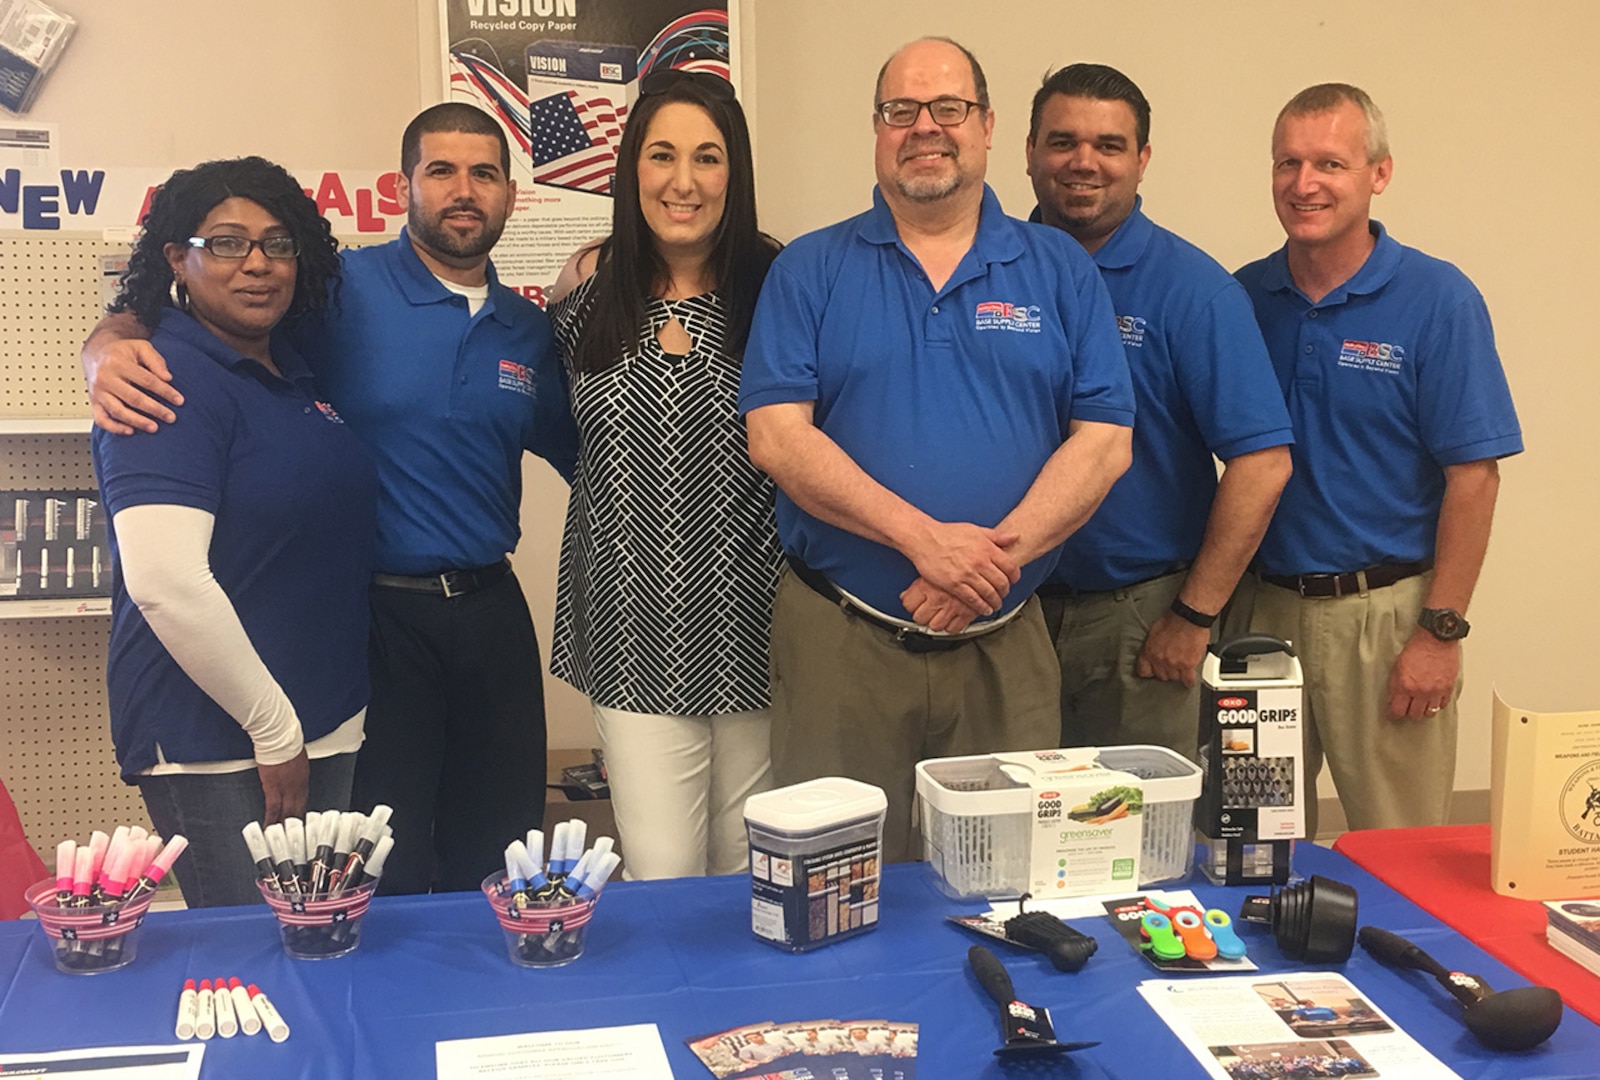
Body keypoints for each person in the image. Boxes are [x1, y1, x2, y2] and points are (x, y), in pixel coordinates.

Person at [82, 104, 579, 894]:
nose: (463, 190)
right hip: (379, 618)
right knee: (384, 864)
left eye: (484, 172)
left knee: (504, 846)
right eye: (441, 170)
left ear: (511, 195)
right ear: (405, 186)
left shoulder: (527, 329)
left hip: (490, 607)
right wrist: (106, 342)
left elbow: (591, 451)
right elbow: (199, 308)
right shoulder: (337, 291)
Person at [739, 37, 1135, 862]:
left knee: (1007, 884)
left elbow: (1104, 443)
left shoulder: (1058, 269)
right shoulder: (809, 269)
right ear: (877, 130)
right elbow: (777, 437)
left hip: (1006, 645)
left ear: (987, 127)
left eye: (948, 108)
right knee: (834, 889)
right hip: (843, 646)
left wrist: (985, 564)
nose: (925, 128)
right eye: (900, 111)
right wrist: (927, 544)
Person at [89, 157, 378, 907]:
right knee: (255, 961)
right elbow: (167, 585)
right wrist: (275, 731)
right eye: (225, 242)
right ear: (176, 259)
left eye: (277, 244)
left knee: (318, 939)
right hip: (223, 743)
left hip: (322, 723)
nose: (256, 263)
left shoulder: (288, 367)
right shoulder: (159, 376)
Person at [1235, 83, 1521, 833]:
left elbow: (1475, 478)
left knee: (1403, 850)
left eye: (1330, 162)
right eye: (1287, 163)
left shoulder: (1438, 300)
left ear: (1379, 174)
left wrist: (1440, 632)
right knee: (1252, 844)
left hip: (1388, 620)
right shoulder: (1241, 300)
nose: (1305, 184)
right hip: (1261, 617)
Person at [544, 70, 781, 878]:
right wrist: (125, 324)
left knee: (753, 877)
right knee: (664, 877)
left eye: (708, 158)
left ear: (735, 174)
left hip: (758, 628)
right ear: (631, 171)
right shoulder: (584, 291)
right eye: (662, 155)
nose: (684, 181)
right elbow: (555, 431)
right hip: (631, 634)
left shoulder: (781, 290)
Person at [1023, 63, 1293, 758]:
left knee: (1136, 836)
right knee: (1008, 824)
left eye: (1110, 145)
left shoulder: (1192, 290)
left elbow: (1262, 463)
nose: (1085, 162)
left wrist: (1193, 613)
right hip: (1006, 614)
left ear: (1142, 160)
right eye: (1063, 141)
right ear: (1028, 151)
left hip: (1138, 618)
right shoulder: (985, 271)